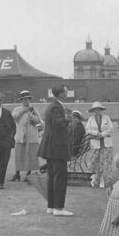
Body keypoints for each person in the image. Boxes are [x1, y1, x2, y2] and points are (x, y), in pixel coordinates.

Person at [38, 85, 73, 216]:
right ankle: (59, 208)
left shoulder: (52, 106)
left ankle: (51, 206)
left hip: (50, 147)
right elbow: (57, 122)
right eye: (65, 90)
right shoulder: (57, 107)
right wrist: (66, 119)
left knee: (52, 177)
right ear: (60, 93)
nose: (67, 92)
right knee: (60, 178)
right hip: (57, 148)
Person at [11, 90, 43, 182]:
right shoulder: (17, 109)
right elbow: (14, 117)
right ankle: (17, 174)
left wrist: (33, 118)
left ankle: (29, 174)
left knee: (31, 155)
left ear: (29, 100)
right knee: (19, 155)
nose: (26, 101)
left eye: (27, 99)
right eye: (23, 99)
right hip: (20, 135)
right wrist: (24, 111)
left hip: (31, 135)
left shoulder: (34, 109)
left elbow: (39, 121)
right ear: (21, 100)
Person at [86, 102, 114, 188]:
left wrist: (102, 134)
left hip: (106, 144)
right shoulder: (90, 119)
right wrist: (96, 133)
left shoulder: (106, 118)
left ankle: (103, 180)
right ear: (93, 110)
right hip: (95, 144)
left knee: (105, 163)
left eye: (98, 109)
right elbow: (87, 129)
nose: (97, 111)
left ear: (101, 110)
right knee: (96, 163)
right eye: (95, 110)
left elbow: (111, 128)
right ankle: (95, 179)